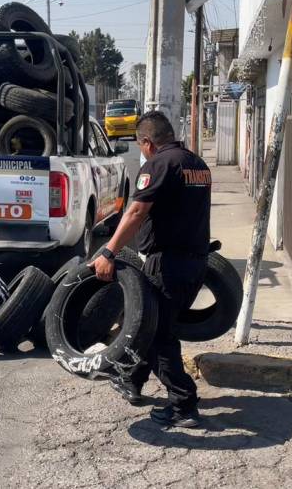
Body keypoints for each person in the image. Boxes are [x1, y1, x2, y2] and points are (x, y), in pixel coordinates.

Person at [88, 110, 212, 428]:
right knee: (152, 324)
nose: (141, 151)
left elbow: (135, 212)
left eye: (140, 146)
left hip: (167, 263)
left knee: (157, 334)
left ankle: (183, 404)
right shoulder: (197, 164)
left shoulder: (158, 164)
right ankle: (132, 380)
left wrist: (109, 251)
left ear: (147, 142)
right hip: (196, 262)